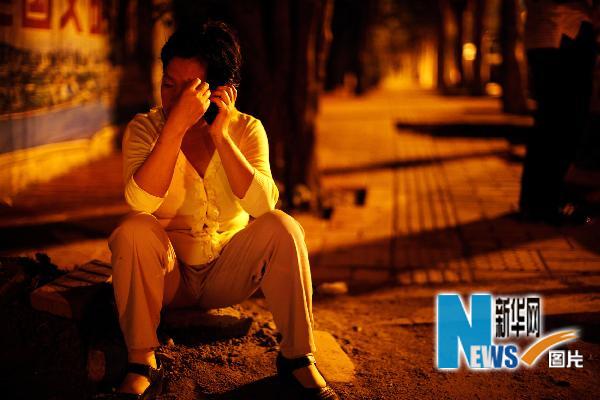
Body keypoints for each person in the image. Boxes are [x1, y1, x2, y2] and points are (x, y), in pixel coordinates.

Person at [103, 21, 339, 400]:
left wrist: (221, 136)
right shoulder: (144, 128)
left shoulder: (247, 129)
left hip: (228, 274)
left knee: (283, 226)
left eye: (191, 89)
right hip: (167, 278)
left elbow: (262, 205)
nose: (176, 98)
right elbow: (141, 202)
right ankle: (141, 362)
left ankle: (297, 357)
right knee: (134, 229)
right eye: (169, 84)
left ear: (219, 91)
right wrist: (175, 129)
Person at [519, 0, 597, 225]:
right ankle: (545, 204)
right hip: (561, 35)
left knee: (554, 122)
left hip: (556, 35)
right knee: (561, 122)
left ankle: (538, 203)